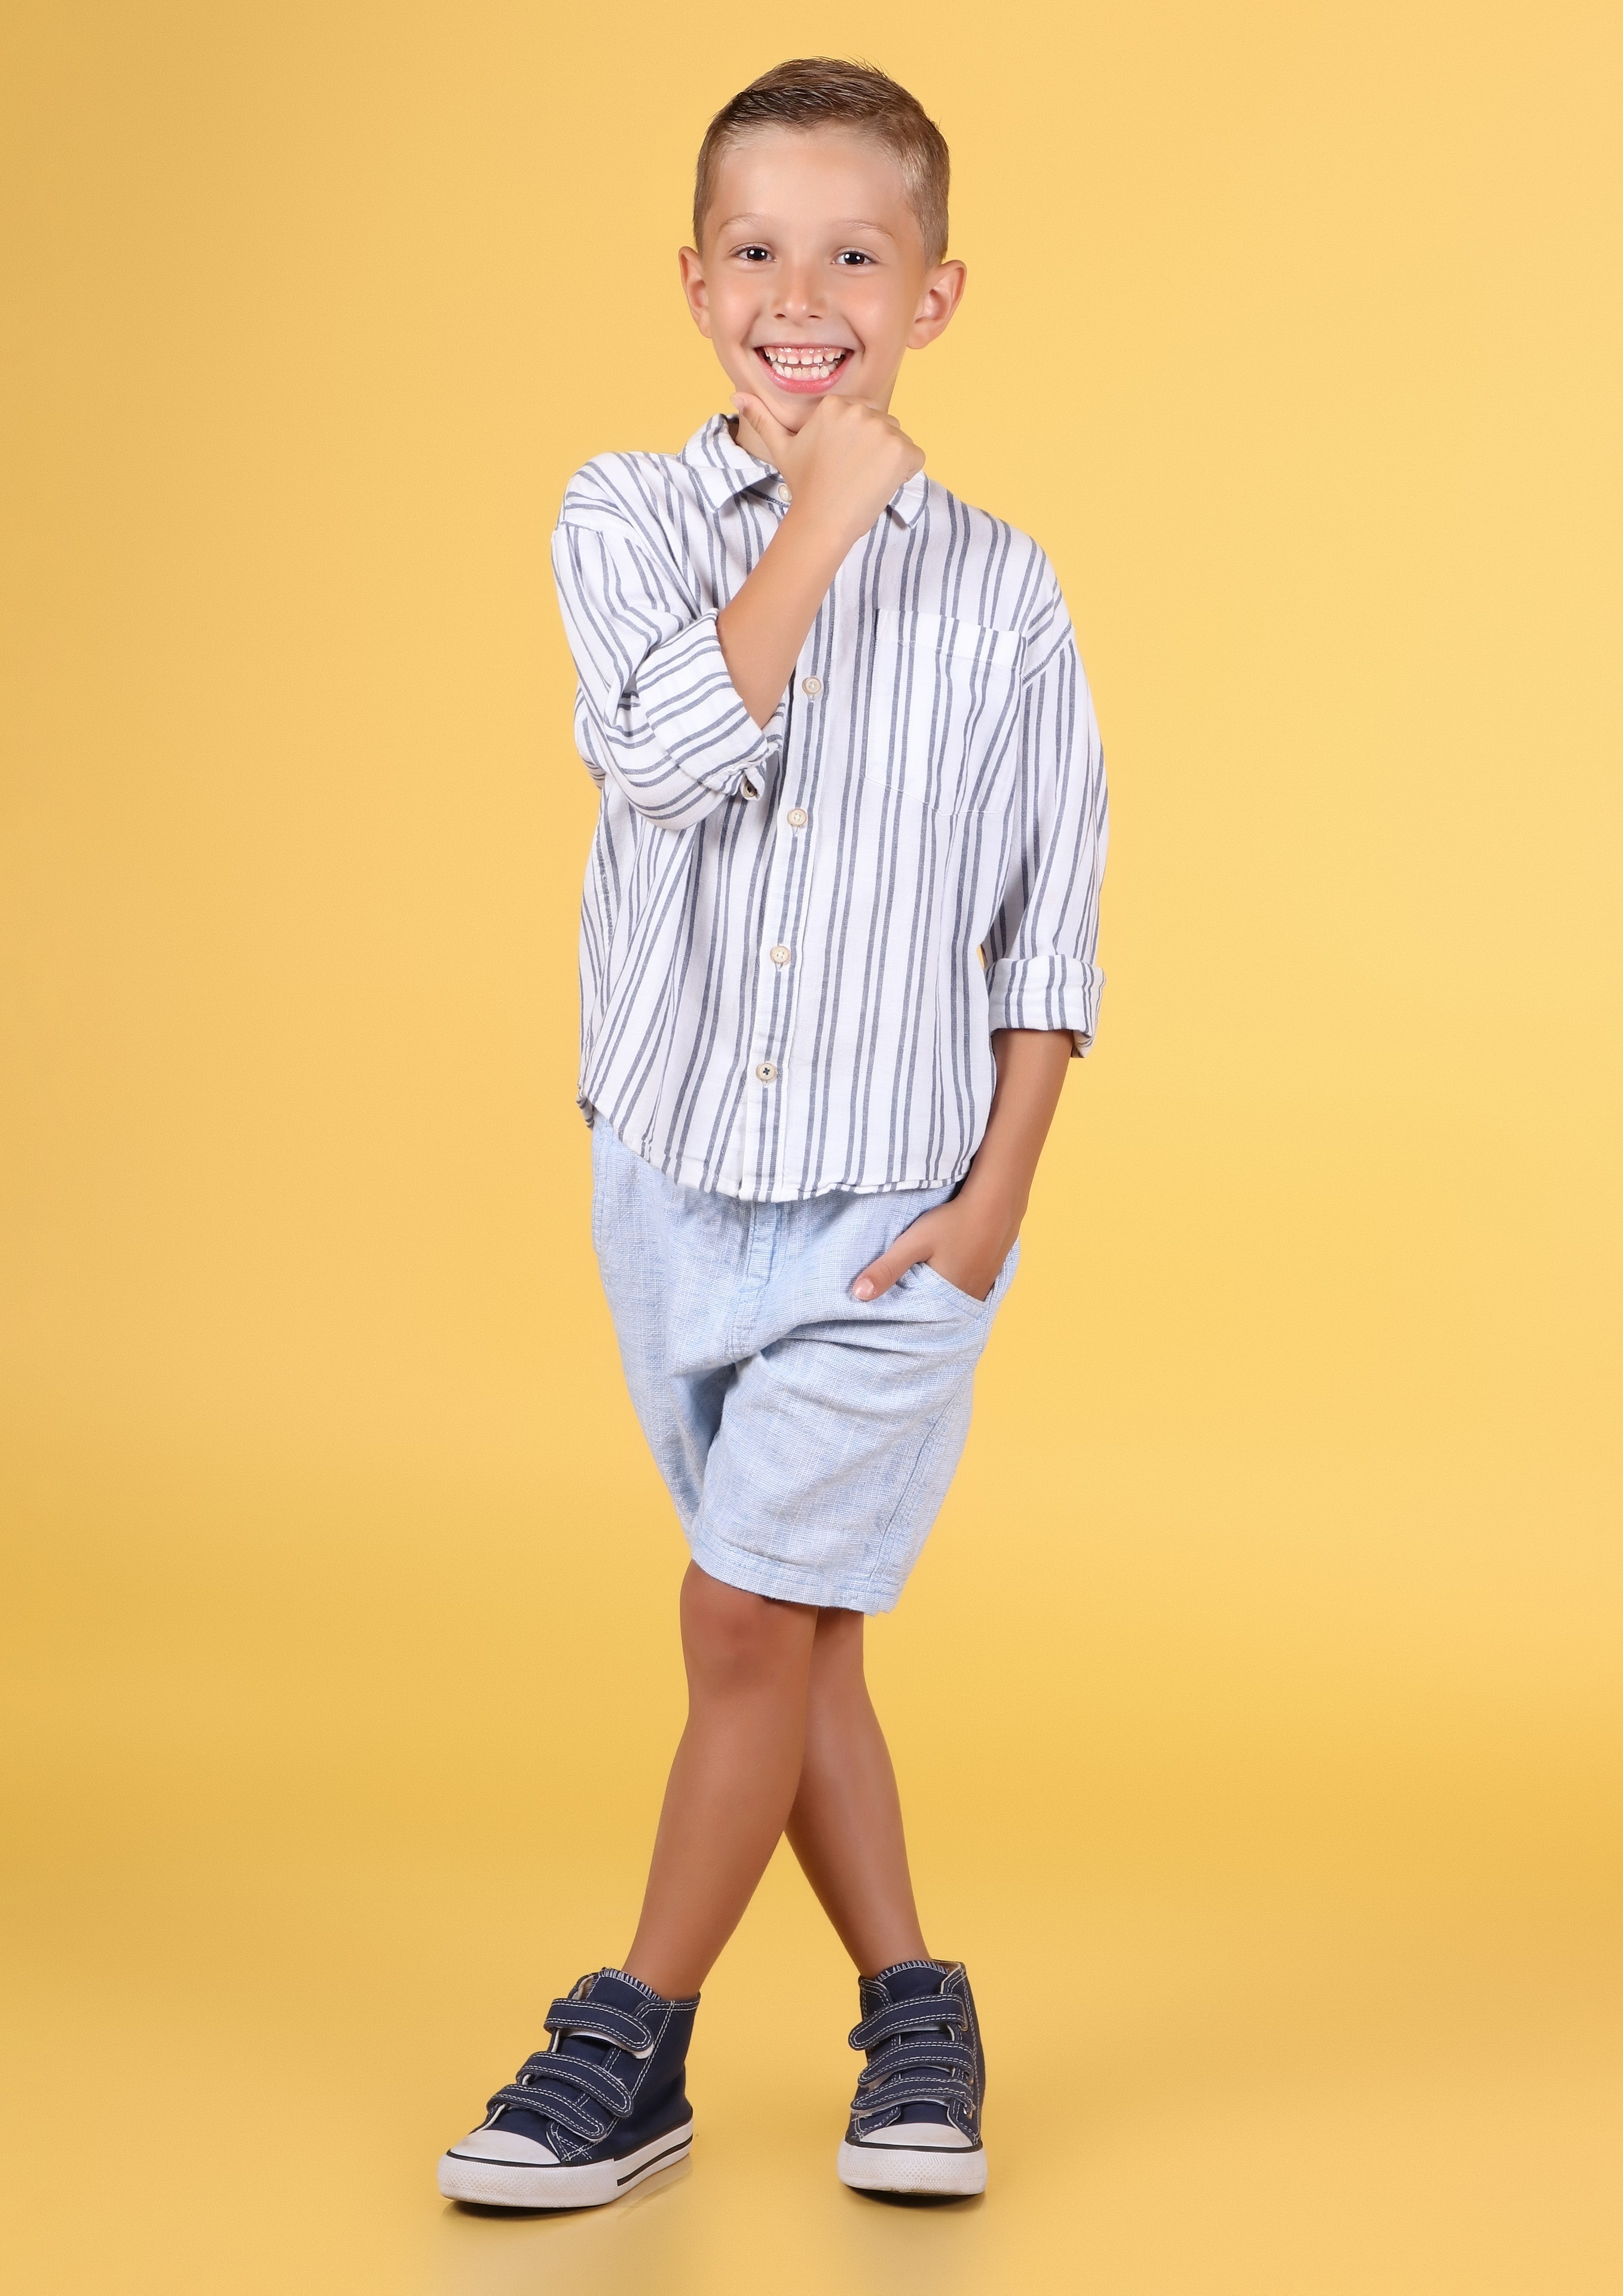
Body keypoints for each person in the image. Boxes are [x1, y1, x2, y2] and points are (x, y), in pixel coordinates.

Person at [439, 56, 1107, 2210]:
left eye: (855, 256)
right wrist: (815, 524)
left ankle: (626, 2045)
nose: (800, 297)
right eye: (756, 250)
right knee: (794, 1628)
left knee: (739, 1621)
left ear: (936, 294)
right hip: (670, 1180)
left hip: (897, 1201)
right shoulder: (620, 516)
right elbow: (657, 762)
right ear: (694, 279)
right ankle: (917, 2012)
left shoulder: (1002, 592)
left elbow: (1046, 921)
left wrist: (992, 1203)